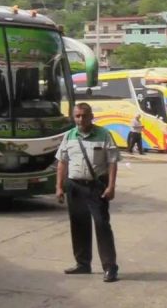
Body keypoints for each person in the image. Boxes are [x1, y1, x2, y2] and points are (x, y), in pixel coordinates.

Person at [56, 102, 120, 283]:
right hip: (74, 187)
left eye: (84, 116)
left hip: (96, 186)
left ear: (91, 116)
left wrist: (111, 186)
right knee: (78, 224)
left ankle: (110, 267)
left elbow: (112, 161)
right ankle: (82, 263)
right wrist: (59, 187)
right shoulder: (69, 135)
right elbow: (62, 162)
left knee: (101, 224)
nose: (81, 119)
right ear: (73, 117)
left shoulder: (104, 134)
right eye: (77, 116)